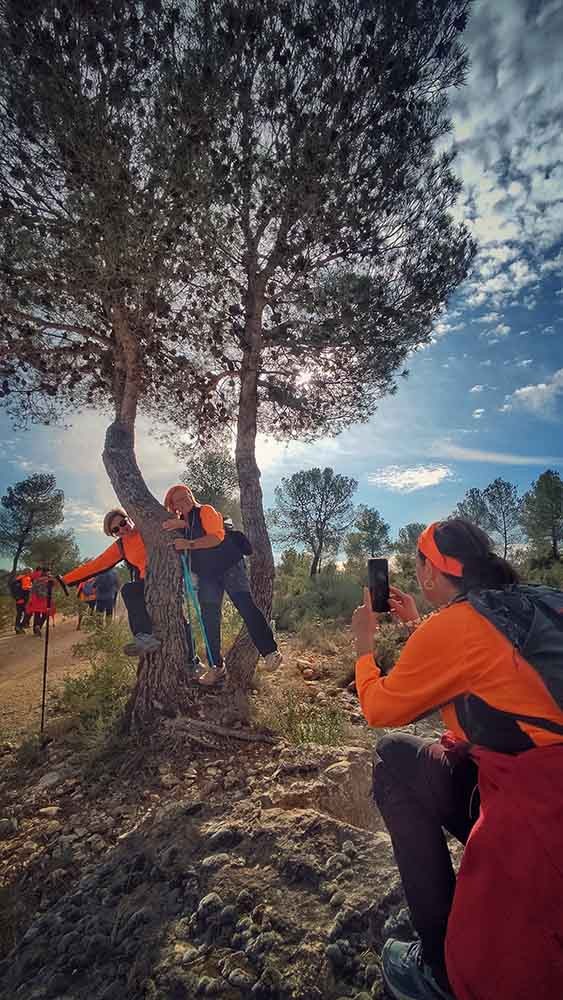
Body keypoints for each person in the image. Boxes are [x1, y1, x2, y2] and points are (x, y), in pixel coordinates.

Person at [351, 519, 563, 1000]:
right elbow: (491, 662)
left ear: (430, 572)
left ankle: (438, 966)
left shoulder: (456, 625)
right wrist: (417, 626)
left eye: (418, 560)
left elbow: (379, 709)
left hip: (540, 813)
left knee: (392, 761)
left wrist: (364, 651)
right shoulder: (540, 597)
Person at [162, 483, 282, 673]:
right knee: (209, 617)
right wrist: (181, 526)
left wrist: (188, 543)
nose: (185, 501)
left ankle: (270, 652)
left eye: (187, 496)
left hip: (230, 566)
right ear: (173, 505)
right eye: (179, 500)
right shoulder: (182, 525)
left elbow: (216, 537)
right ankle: (216, 666)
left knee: (245, 605)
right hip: (207, 575)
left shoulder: (206, 511)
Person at [63, 509, 200, 672]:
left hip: (169, 580)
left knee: (178, 618)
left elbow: (173, 523)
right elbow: (97, 564)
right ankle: (144, 637)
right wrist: (64, 580)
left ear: (129, 519)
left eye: (123, 523)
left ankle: (193, 661)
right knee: (129, 589)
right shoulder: (121, 546)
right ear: (113, 534)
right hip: (145, 584)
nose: (122, 529)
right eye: (116, 530)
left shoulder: (147, 527)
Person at [26, 566, 58, 635]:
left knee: (37, 614)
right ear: (47, 572)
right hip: (46, 599)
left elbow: (32, 590)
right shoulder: (49, 579)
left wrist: (30, 599)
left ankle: (35, 630)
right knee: (45, 614)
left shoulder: (36, 579)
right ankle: (39, 626)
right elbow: (55, 585)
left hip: (37, 599)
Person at [10, 567, 32, 634]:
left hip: (20, 599)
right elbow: (24, 589)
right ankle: (20, 626)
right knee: (28, 613)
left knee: (20, 614)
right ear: (27, 572)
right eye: (30, 572)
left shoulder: (19, 578)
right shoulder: (23, 578)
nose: (31, 573)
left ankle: (18, 627)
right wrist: (19, 598)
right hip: (22, 599)